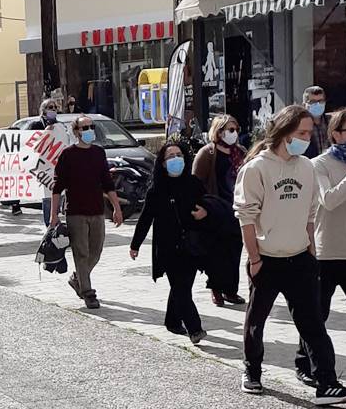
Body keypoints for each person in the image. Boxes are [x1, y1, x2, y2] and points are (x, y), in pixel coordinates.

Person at [234, 104, 346, 405]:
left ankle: (327, 384)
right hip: (266, 259)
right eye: (301, 133)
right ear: (284, 132)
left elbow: (310, 211)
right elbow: (246, 217)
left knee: (314, 324)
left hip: (300, 259)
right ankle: (252, 370)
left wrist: (309, 248)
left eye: (308, 132)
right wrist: (254, 259)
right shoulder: (256, 168)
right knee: (257, 320)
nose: (306, 138)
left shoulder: (306, 166)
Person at [293, 109, 346, 388]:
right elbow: (329, 200)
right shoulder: (319, 165)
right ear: (335, 134)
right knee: (316, 317)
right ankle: (305, 365)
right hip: (325, 254)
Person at [130, 142, 209, 344]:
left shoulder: (194, 184)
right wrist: (135, 245)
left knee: (182, 287)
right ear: (163, 164)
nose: (176, 159)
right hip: (168, 248)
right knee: (181, 289)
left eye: (179, 155)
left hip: (191, 245)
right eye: (171, 156)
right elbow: (145, 218)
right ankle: (195, 328)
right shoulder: (156, 190)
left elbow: (208, 206)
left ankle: (172, 320)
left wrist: (205, 213)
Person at [50, 116, 123, 309]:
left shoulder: (98, 153)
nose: (89, 130)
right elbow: (57, 187)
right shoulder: (68, 155)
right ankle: (88, 292)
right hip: (76, 212)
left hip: (97, 210)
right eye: (85, 127)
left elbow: (108, 183)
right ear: (76, 132)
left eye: (91, 126)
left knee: (96, 251)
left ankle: (78, 278)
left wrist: (117, 208)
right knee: (81, 253)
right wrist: (53, 214)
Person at [192, 114, 248, 306]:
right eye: (230, 130)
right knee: (216, 252)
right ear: (219, 131)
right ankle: (216, 288)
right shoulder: (207, 153)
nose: (234, 134)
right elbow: (196, 183)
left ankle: (231, 290)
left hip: (236, 209)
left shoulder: (240, 152)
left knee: (234, 251)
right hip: (215, 209)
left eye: (236, 130)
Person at [304, 86, 329, 159]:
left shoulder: (332, 123)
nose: (318, 104)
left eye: (321, 101)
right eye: (313, 102)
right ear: (304, 105)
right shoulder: (298, 126)